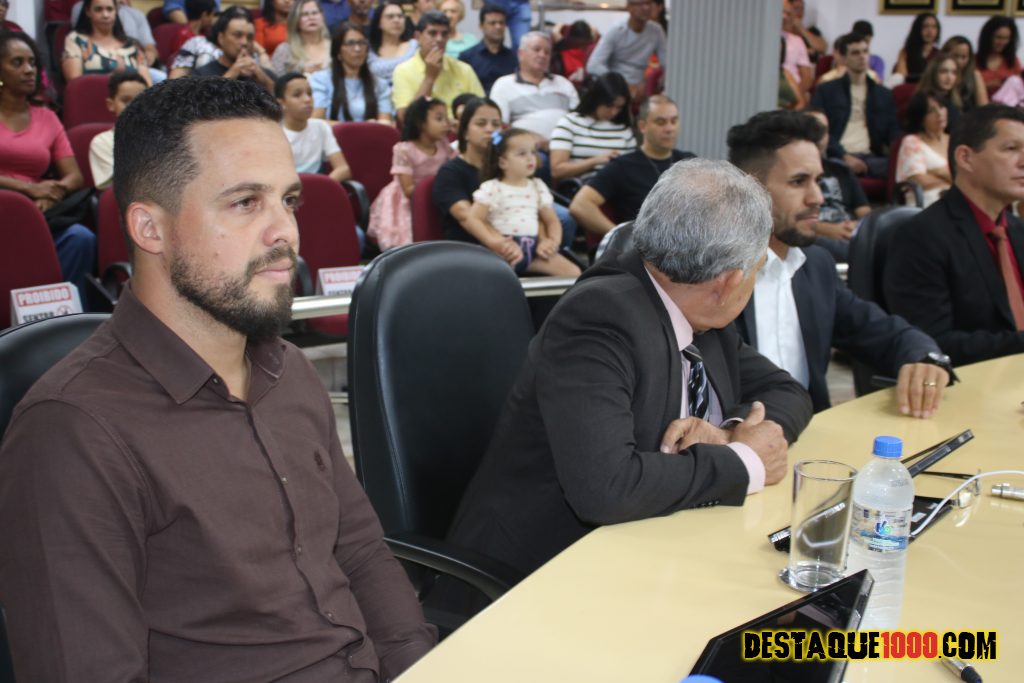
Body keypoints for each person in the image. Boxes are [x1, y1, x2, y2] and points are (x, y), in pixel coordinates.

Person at [0, 76, 436, 680]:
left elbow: (359, 552)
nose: (286, 232)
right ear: (150, 229)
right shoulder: (73, 434)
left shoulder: (288, 370)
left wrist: (420, 669)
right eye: (245, 202)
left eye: (289, 200)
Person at [445, 157, 814, 579]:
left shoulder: (702, 315)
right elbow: (605, 488)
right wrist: (743, 460)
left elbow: (788, 391)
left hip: (654, 552)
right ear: (729, 280)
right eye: (757, 270)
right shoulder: (598, 318)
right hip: (539, 574)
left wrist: (729, 431)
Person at [728, 109, 952, 416]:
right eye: (798, 181)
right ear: (751, 189)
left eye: (818, 180)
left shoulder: (815, 265)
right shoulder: (712, 273)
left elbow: (881, 331)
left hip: (811, 437)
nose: (817, 197)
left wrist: (924, 358)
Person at [885, 104, 1024, 366]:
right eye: (1011, 149)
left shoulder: (1018, 230)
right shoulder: (920, 237)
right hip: (974, 385)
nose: (1023, 161)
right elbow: (932, 343)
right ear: (965, 158)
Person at [0, 31, 96, 292]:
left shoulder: (47, 117)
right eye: (17, 63)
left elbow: (74, 176)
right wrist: (29, 189)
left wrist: (52, 193)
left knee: (80, 238)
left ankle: (65, 314)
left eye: (32, 62)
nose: (29, 70)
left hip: (39, 213)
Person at [433, 96, 578, 250]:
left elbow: (529, 209)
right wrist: (509, 246)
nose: (490, 129)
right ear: (465, 132)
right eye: (481, 123)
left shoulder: (511, 165)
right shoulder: (450, 173)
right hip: (477, 247)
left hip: (524, 241)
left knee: (563, 218)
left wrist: (543, 242)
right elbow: (467, 217)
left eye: (496, 124)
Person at [570, 94, 694, 235]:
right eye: (661, 122)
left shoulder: (689, 162)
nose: (669, 128)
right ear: (642, 126)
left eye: (674, 121)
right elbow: (580, 205)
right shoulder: (623, 166)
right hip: (643, 243)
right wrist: (620, 236)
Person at [469, 128, 581, 276]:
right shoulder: (492, 187)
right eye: (522, 154)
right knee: (497, 280)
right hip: (503, 250)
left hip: (534, 251)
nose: (530, 158)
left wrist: (551, 242)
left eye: (533, 152)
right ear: (502, 162)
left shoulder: (537, 186)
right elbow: (474, 219)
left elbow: (552, 221)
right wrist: (494, 242)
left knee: (573, 272)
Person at [368, 96, 454, 248]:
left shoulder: (444, 145)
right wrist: (435, 187)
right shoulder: (404, 150)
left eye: (447, 118)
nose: (446, 124)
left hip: (437, 197)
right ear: (420, 123)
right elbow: (408, 190)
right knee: (409, 240)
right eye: (439, 119)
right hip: (410, 201)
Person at [811, 32, 901, 178]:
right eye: (855, 53)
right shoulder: (827, 90)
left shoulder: (883, 94)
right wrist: (844, 156)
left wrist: (900, 150)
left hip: (872, 157)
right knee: (833, 167)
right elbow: (819, 129)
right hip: (838, 156)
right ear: (843, 59)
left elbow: (893, 130)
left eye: (865, 51)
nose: (862, 56)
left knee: (900, 167)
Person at [489, 31, 578, 150]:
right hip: (526, 150)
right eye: (537, 50)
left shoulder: (563, 83)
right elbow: (498, 127)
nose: (542, 55)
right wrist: (529, 138)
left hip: (566, 148)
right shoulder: (504, 85)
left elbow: (579, 119)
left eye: (547, 52)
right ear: (521, 54)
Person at [802, 108, 870, 263]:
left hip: (848, 233)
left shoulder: (841, 169)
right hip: (813, 235)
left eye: (823, 130)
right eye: (812, 128)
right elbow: (783, 219)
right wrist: (827, 229)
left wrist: (858, 227)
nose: (818, 135)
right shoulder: (790, 172)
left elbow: (864, 210)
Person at [391, 11, 483, 122]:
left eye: (444, 34)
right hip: (424, 131)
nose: (439, 39)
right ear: (418, 37)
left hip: (460, 128)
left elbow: (483, 109)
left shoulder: (464, 69)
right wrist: (429, 78)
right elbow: (405, 119)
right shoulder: (403, 70)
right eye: (432, 33)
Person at [549, 72, 635, 184]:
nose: (613, 112)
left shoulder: (623, 129)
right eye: (609, 106)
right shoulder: (570, 123)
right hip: (580, 186)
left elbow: (632, 169)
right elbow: (557, 171)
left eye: (619, 107)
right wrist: (595, 161)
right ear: (596, 99)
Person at [312, 22, 393, 123]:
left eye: (362, 43)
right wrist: (359, 128)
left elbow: (386, 122)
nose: (357, 48)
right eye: (350, 43)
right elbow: (316, 121)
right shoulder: (320, 80)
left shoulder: (380, 84)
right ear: (338, 51)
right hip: (332, 133)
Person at [277, 72, 351, 181]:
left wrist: (321, 186)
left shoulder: (320, 126)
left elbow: (343, 168)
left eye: (309, 93)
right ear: (281, 102)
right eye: (297, 95)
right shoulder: (275, 134)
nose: (307, 99)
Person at [586, 0, 665, 101]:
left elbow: (666, 63)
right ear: (629, 7)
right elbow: (593, 65)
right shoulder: (616, 30)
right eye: (640, 4)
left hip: (641, 89)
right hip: (614, 88)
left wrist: (651, 83)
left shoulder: (656, 30)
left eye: (648, 3)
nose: (646, 8)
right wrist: (623, 85)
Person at [63, 0, 152, 86]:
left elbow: (148, 86)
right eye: (98, 9)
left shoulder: (132, 45)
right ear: (88, 11)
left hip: (134, 96)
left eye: (110, 9)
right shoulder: (76, 40)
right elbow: (75, 83)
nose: (105, 15)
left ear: (116, 10)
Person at [88, 71, 147, 190]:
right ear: (110, 104)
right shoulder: (102, 142)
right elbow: (118, 188)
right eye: (126, 101)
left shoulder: (164, 137)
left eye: (141, 100)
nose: (135, 106)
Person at [195, 8, 277, 92]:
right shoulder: (201, 75)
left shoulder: (265, 75)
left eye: (250, 37)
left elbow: (280, 98)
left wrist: (264, 80)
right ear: (221, 38)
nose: (245, 42)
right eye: (238, 35)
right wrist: (231, 75)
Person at [897, 92, 951, 208]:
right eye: (931, 111)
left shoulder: (955, 141)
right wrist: (953, 181)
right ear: (921, 117)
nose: (939, 114)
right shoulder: (911, 142)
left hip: (954, 201)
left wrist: (936, 172)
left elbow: (969, 179)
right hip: (925, 203)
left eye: (941, 107)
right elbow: (918, 180)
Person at [458, 3, 517, 94]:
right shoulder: (467, 57)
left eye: (501, 23)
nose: (498, 27)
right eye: (492, 23)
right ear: (481, 27)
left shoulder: (514, 58)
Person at [271, 0, 331, 75]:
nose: (311, 18)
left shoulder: (335, 46)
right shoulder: (284, 50)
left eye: (315, 13)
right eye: (304, 14)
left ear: (322, 16)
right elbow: (275, 80)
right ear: (295, 19)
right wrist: (299, 72)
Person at [368, 1, 418, 89]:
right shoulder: (369, 51)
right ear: (379, 23)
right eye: (390, 17)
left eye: (400, 16)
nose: (396, 20)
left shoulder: (415, 46)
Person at [166, 0, 219, 78]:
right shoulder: (183, 36)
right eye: (212, 15)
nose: (213, 19)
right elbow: (179, 63)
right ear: (204, 15)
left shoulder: (206, 34)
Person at [916, 53, 962, 133]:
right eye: (943, 72)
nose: (949, 77)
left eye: (954, 72)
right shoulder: (922, 100)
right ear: (933, 73)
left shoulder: (955, 102)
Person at [976, 16, 1021, 98]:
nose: (1002, 42)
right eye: (998, 37)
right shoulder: (974, 60)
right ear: (988, 36)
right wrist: (985, 86)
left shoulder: (1013, 61)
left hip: (1008, 105)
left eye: (1006, 38)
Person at [942, 36, 987, 110]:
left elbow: (984, 108)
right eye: (955, 56)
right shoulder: (937, 74)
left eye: (963, 57)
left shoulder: (974, 75)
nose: (959, 61)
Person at [894, 12, 940, 84]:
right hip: (909, 86)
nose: (930, 30)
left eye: (934, 27)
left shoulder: (940, 54)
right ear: (917, 29)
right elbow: (901, 76)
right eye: (925, 26)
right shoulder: (906, 52)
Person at [781, 0, 812, 97]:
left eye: (789, 14)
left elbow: (807, 77)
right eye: (783, 12)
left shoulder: (798, 41)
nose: (785, 17)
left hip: (793, 93)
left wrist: (795, 98)